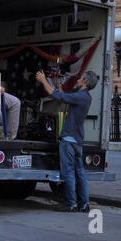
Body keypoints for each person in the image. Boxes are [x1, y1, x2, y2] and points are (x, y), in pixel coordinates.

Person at [36, 70, 99, 212]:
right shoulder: (85, 97)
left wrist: (44, 80)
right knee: (80, 173)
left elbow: (58, 96)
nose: (77, 80)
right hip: (77, 141)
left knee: (69, 172)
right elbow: (63, 96)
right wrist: (57, 82)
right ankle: (84, 204)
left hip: (69, 140)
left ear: (85, 82)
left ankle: (71, 203)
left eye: (80, 78)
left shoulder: (80, 96)